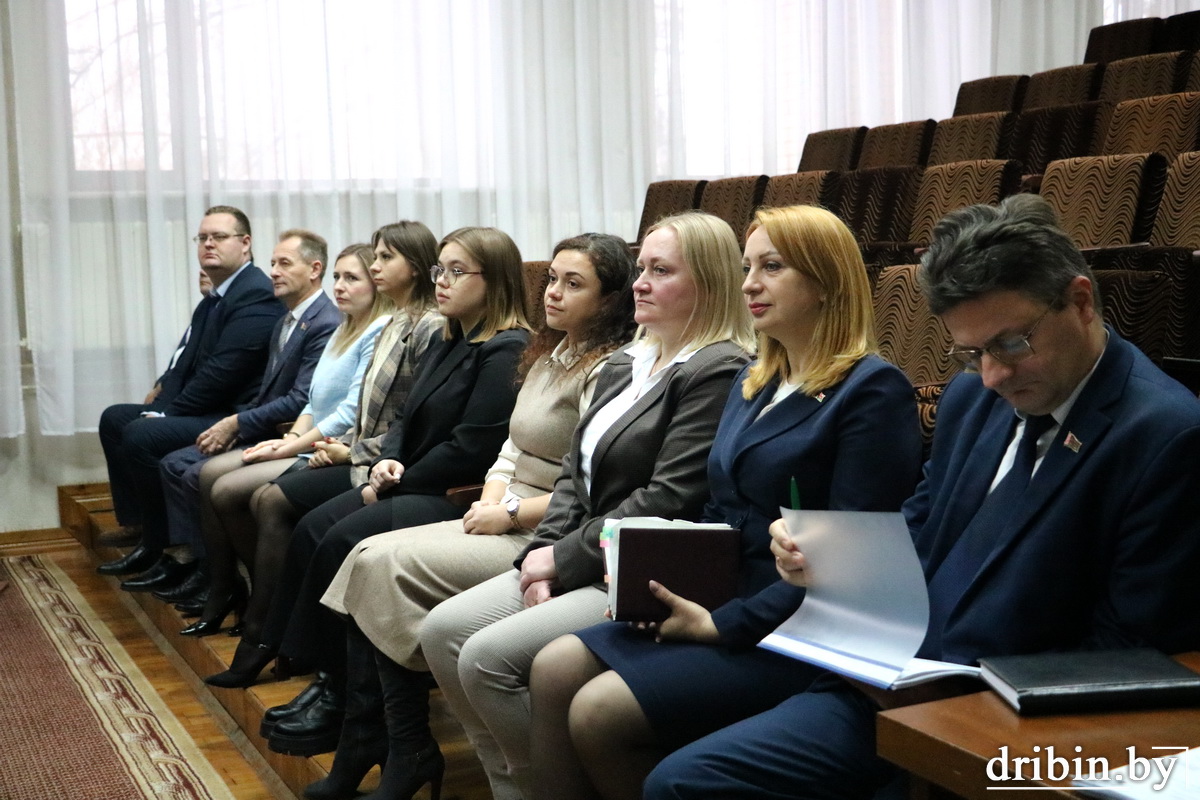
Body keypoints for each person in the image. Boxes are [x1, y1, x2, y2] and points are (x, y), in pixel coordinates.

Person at [641, 193, 1200, 800]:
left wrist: (958, 695)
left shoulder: (1166, 435)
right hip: (886, 677)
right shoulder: (972, 398)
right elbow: (918, 527)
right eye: (972, 352)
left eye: (1011, 343)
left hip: (1006, 716)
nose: (993, 375)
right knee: (681, 781)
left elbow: (1129, 650)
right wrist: (825, 558)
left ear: (1081, 301)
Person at [527, 204, 924, 800]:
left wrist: (719, 624)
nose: (750, 285)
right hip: (721, 595)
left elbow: (852, 562)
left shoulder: (870, 390)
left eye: (772, 267)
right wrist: (660, 581)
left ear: (826, 282)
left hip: (794, 624)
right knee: (553, 667)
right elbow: (719, 511)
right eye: (746, 268)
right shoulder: (755, 381)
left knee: (599, 712)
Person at [421, 211, 756, 800]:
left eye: (661, 271)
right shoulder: (629, 360)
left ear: (708, 282)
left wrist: (562, 560)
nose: (640, 283)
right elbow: (574, 476)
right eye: (641, 268)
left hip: (641, 565)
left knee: (485, 657)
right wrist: (541, 555)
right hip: (582, 552)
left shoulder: (717, 368)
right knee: (441, 630)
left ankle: (538, 787)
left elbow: (668, 496)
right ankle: (514, 785)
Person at [305, 233, 639, 800]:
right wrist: (492, 496)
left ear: (610, 300)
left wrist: (508, 513)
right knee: (364, 558)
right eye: (551, 279)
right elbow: (509, 448)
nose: (553, 293)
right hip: (502, 506)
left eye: (573, 284)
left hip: (547, 525)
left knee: (377, 562)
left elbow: (585, 486)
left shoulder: (608, 368)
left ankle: (405, 747)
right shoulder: (551, 353)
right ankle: (394, 741)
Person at [237, 227, 533, 759]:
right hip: (412, 476)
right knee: (313, 527)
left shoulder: (505, 348)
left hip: (454, 492)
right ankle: (328, 680)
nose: (442, 281)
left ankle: (343, 698)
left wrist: (397, 478)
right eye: (440, 269)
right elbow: (403, 420)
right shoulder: (448, 337)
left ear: (496, 280)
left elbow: (471, 447)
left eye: (457, 271)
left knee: (340, 539)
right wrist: (383, 462)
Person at [199, 221, 442, 677]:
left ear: (414, 266)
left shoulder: (425, 325)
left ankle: (269, 632)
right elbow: (327, 402)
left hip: (375, 460)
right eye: (345, 273)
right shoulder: (392, 322)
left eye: (384, 258)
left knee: (272, 500)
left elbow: (407, 416)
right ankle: (265, 621)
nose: (373, 267)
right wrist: (304, 442)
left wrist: (349, 451)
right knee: (242, 490)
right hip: (355, 450)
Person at [170, 242, 393, 635]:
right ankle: (233, 587)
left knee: (227, 489)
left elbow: (349, 412)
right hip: (306, 439)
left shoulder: (378, 330)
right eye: (337, 277)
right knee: (207, 476)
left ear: (376, 286)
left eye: (352, 278)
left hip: (334, 448)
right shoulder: (344, 327)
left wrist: (289, 446)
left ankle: (266, 598)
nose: (339, 286)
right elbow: (312, 400)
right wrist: (289, 435)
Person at [115, 229, 342, 596]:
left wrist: (238, 422)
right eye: (272, 263)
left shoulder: (325, 322)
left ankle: (225, 581)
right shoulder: (286, 320)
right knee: (174, 463)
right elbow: (266, 391)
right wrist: (236, 422)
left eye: (284, 263)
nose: (273, 271)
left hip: (291, 433)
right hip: (265, 423)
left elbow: (301, 399)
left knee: (193, 471)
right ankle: (201, 569)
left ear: (314, 269)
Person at [97, 206, 284, 578]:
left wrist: (165, 415)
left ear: (245, 243)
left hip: (233, 414)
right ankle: (141, 526)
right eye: (203, 238)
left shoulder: (256, 294)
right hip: (209, 406)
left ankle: (163, 545)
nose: (208, 244)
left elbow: (221, 375)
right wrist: (162, 406)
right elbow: (185, 366)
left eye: (219, 237)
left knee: (141, 434)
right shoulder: (216, 296)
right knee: (115, 418)